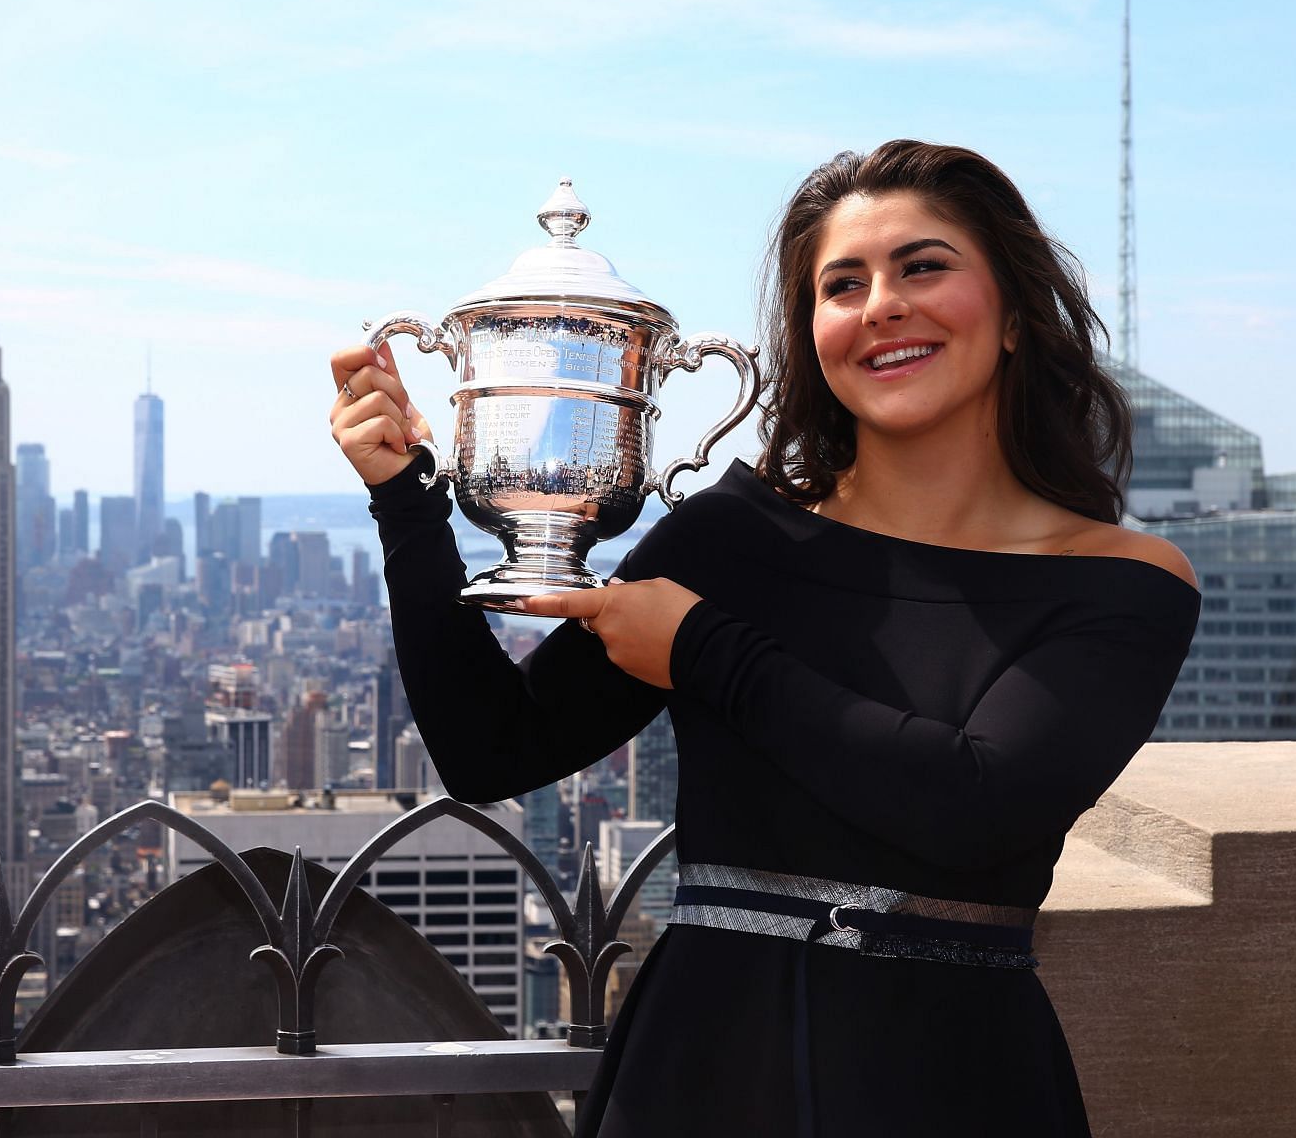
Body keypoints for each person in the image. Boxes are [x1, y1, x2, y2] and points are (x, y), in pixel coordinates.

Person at [327, 140, 1200, 1137]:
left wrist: (702, 648)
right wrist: (406, 501)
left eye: (923, 266)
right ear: (812, 332)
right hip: (699, 1074)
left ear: (1011, 312)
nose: (882, 304)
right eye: (843, 284)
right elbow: (492, 748)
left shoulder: (1120, 581)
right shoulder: (731, 536)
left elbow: (978, 807)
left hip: (957, 1083)